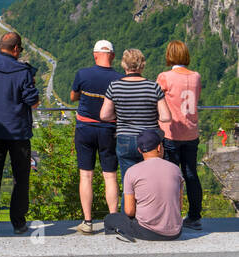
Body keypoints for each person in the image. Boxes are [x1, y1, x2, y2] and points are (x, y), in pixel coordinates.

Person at [0, 31, 40, 234]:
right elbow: (33, 102)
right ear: (16, 49)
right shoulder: (24, 72)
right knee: (20, 178)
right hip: (18, 132)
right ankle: (18, 222)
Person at [68, 40, 123, 234]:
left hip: (85, 128)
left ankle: (88, 221)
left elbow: (73, 97)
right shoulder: (120, 78)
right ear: (113, 56)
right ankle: (114, 221)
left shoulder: (83, 74)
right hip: (108, 129)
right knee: (110, 175)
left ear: (95, 54)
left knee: (86, 175)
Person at [101, 49, 169, 181]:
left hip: (125, 138)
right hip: (150, 139)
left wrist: (118, 115)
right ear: (142, 65)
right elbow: (166, 117)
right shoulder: (153, 87)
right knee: (151, 183)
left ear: (123, 65)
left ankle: (127, 203)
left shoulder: (114, 86)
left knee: (129, 185)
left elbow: (104, 115)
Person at [104, 130, 184, 242]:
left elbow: (129, 211)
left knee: (110, 219)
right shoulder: (176, 169)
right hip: (175, 232)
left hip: (147, 232)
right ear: (159, 148)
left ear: (140, 150)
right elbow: (179, 207)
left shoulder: (132, 172)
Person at [156, 40, 203, 231]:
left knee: (170, 176)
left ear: (169, 55)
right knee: (191, 173)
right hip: (191, 133)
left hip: (171, 133)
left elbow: (156, 99)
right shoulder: (196, 76)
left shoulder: (165, 77)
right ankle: (194, 216)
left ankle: (171, 216)